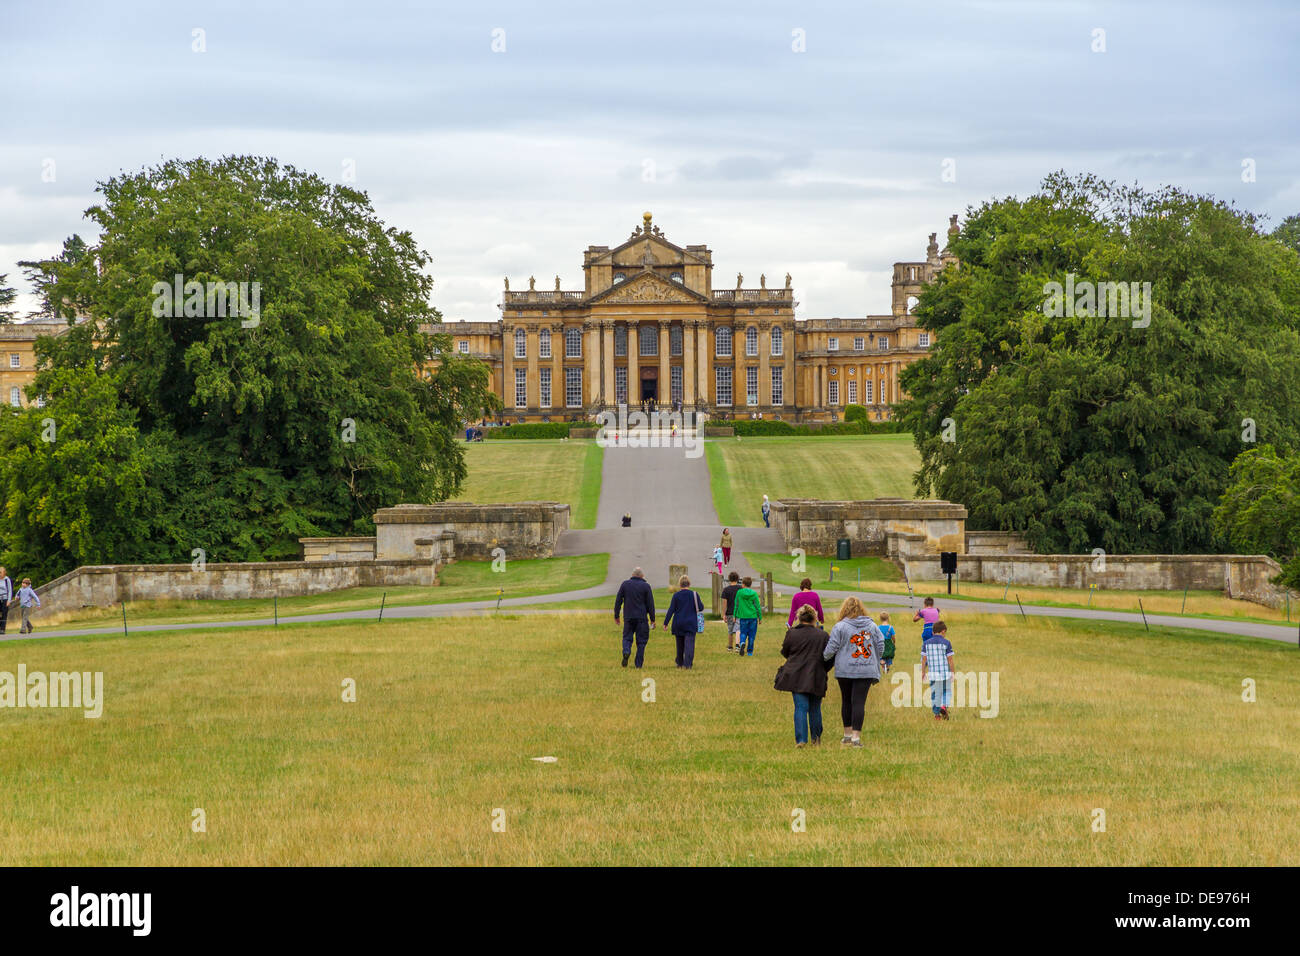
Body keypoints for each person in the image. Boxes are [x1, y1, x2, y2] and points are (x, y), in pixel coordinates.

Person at [824, 597, 886, 747]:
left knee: (846, 701)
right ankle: (856, 738)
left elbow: (831, 649)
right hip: (866, 669)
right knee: (859, 702)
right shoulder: (871, 626)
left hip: (845, 669)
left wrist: (824, 656)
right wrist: (876, 658)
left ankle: (847, 734)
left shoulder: (840, 627)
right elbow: (881, 643)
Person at [774, 604, 832, 747]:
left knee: (800, 707)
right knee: (815, 708)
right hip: (816, 675)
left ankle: (801, 740)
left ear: (799, 618)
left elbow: (785, 652)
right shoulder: (823, 635)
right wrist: (824, 669)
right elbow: (829, 657)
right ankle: (816, 738)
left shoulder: (792, 633)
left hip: (796, 675)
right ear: (814, 618)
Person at [613, 567, 656, 668]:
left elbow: (618, 600)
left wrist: (616, 615)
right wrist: (652, 619)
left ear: (632, 575)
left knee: (627, 637)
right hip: (641, 618)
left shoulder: (625, 584)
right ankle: (638, 664)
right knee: (641, 641)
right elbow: (650, 604)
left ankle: (626, 651)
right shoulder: (646, 586)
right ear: (642, 576)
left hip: (628, 617)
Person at [662, 576, 705, 669]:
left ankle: (680, 663)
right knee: (689, 644)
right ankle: (688, 664)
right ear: (689, 584)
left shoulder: (676, 595)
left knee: (680, 644)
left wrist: (666, 622)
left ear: (680, 584)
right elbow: (700, 607)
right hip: (690, 623)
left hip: (678, 622)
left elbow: (671, 610)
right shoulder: (694, 594)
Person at [921, 620, 956, 720]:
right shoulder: (946, 643)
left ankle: (937, 715)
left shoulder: (926, 644)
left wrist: (923, 672)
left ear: (933, 632)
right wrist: (953, 673)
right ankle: (944, 706)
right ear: (943, 631)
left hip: (933, 675)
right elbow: (950, 660)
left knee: (935, 694)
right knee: (946, 691)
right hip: (945, 674)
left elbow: (924, 660)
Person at [734, 576, 762, 656]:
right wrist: (760, 617)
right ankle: (749, 652)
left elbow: (736, 604)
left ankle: (742, 642)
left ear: (743, 584)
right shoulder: (754, 593)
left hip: (743, 616)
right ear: (750, 584)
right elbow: (757, 606)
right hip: (753, 617)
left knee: (743, 632)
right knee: (752, 635)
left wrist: (734, 615)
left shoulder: (739, 592)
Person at [720, 571, 742, 651]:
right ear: (737, 579)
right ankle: (738, 646)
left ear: (729, 579)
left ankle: (730, 646)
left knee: (730, 630)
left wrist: (724, 614)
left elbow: (724, 603)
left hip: (729, 613)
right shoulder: (741, 588)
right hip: (739, 613)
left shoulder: (726, 590)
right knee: (738, 629)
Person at [0, 566, 11, 635]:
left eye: (0, 572)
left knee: (4, 614)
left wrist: (8, 600)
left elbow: (10, 590)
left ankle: (2, 629)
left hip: (5, 599)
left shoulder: (7, 580)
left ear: (4, 573)